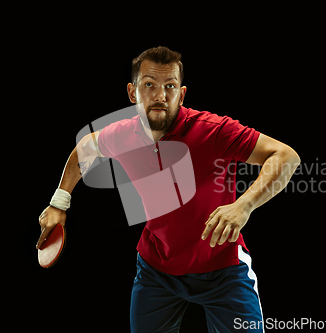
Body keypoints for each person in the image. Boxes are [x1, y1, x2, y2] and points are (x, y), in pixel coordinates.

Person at [37, 46, 300, 332]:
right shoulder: (122, 135)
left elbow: (286, 156)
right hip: (157, 271)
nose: (160, 96)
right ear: (132, 92)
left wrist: (243, 205)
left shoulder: (213, 130)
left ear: (182, 94)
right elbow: (84, 150)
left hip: (223, 270)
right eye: (149, 85)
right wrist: (59, 203)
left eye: (170, 86)